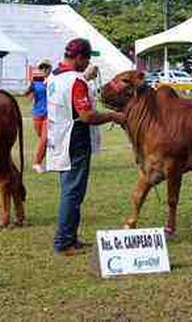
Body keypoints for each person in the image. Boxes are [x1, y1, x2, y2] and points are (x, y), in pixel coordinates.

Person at [46, 38, 125, 256]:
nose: (87, 62)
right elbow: (87, 115)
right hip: (75, 138)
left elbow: (69, 89)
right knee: (73, 192)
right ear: (80, 57)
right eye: (86, 58)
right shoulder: (76, 82)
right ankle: (63, 242)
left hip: (59, 135)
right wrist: (113, 116)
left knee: (68, 189)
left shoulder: (53, 75)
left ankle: (69, 237)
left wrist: (85, 77)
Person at [26, 59, 52, 173]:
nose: (44, 70)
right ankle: (52, 161)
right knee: (45, 140)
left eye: (46, 67)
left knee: (45, 139)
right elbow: (28, 96)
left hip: (50, 115)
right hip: (37, 114)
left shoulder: (54, 81)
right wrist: (29, 89)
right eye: (42, 67)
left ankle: (37, 163)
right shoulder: (35, 82)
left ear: (50, 69)